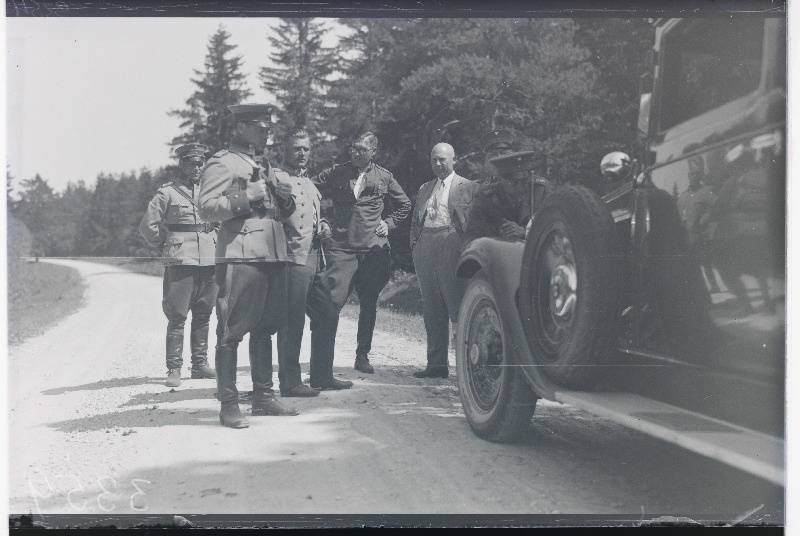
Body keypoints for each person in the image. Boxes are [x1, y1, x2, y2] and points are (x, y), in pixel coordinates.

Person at [198, 103, 298, 429]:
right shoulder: (222, 163)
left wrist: (283, 197)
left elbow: (278, 210)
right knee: (231, 331)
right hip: (241, 253)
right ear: (240, 128)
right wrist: (248, 195)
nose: (266, 130)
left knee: (266, 327)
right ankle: (228, 404)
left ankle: (263, 397)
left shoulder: (263, 164)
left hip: (271, 252)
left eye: (268, 125)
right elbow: (208, 208)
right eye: (259, 125)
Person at [308, 132, 411, 386]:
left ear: (373, 151)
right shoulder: (337, 172)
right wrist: (320, 219)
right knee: (330, 305)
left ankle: (362, 355)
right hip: (341, 247)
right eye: (353, 149)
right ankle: (322, 366)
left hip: (373, 250)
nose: (356, 154)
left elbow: (405, 204)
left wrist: (389, 223)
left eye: (362, 150)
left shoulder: (384, 176)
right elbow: (308, 188)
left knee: (368, 302)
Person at [138, 143, 218, 388]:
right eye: (191, 163)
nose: (197, 167)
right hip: (181, 258)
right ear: (181, 164)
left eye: (200, 163)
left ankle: (200, 365)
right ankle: (174, 368)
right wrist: (167, 245)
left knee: (204, 312)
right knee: (177, 315)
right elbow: (147, 226)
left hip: (210, 257)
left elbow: (223, 220)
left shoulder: (210, 192)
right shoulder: (167, 193)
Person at [409, 143, 476, 378]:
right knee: (432, 308)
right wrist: (416, 247)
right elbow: (416, 223)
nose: (438, 164)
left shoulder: (468, 187)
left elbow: (474, 222)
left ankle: (467, 368)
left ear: (454, 160)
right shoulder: (425, 188)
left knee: (458, 306)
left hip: (452, 244)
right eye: (434, 160)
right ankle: (436, 365)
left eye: (443, 160)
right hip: (426, 246)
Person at [274, 129, 331, 397]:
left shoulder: (308, 183)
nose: (302, 153)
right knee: (291, 322)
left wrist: (324, 225)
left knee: (327, 313)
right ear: (285, 150)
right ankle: (289, 382)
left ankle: (321, 375)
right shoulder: (277, 178)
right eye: (297, 148)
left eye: (306, 149)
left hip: (315, 258)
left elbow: (313, 215)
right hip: (291, 258)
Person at [462, 131, 542, 246]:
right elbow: (471, 236)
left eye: (504, 153)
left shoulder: (539, 189)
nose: (500, 158)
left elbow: (553, 227)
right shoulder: (483, 193)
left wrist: (525, 232)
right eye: (494, 155)